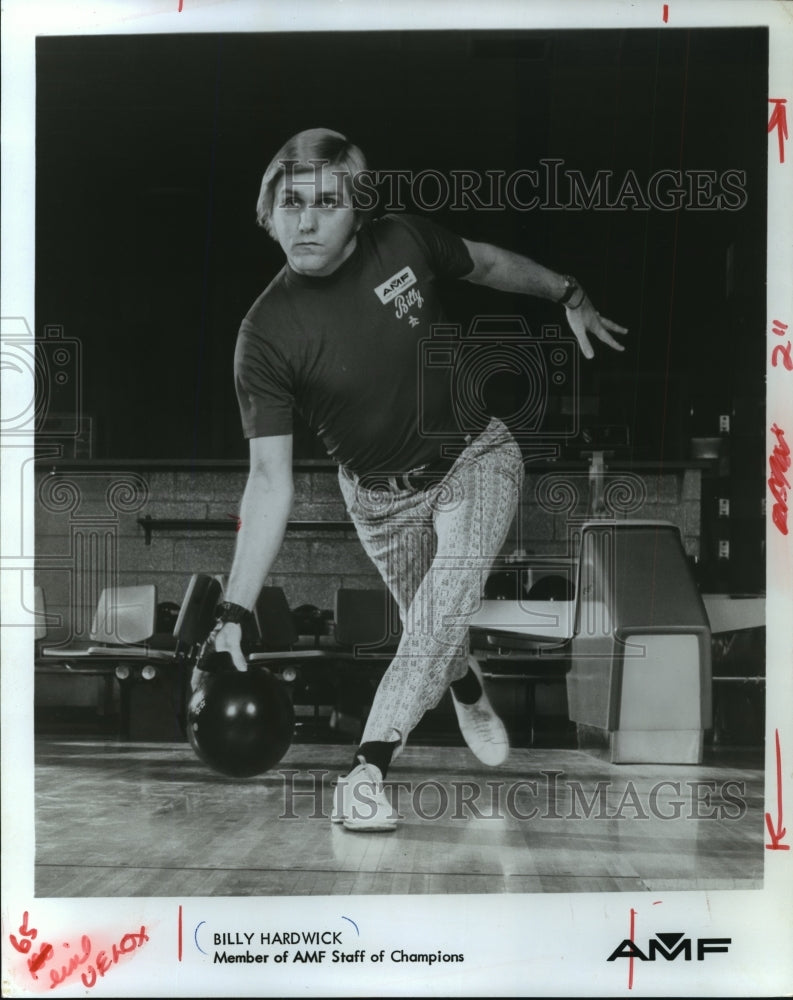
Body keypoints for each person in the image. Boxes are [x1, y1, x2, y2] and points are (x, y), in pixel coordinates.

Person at [196, 127, 627, 831]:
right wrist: (234, 612)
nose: (304, 220)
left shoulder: (401, 241)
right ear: (269, 211)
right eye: (291, 202)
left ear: (358, 213)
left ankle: (366, 770)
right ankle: (463, 688)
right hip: (375, 501)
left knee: (436, 611)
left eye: (327, 203)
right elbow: (270, 481)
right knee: (436, 630)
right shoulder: (264, 335)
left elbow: (485, 264)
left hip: (476, 460)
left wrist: (567, 290)